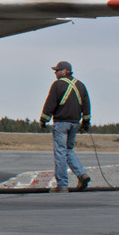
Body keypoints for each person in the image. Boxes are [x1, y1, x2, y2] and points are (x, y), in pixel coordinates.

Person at [39, 60, 91, 191]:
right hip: (74, 123)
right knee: (69, 150)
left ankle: (62, 185)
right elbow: (86, 105)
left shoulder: (57, 85)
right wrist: (85, 123)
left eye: (57, 70)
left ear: (64, 71)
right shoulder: (81, 85)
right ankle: (81, 174)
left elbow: (50, 103)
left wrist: (44, 119)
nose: (55, 73)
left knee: (60, 153)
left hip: (61, 123)